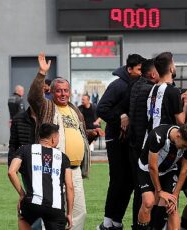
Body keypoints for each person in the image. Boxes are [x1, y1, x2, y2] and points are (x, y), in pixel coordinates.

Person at [28, 53, 101, 230]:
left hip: (74, 169)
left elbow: (78, 133)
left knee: (79, 212)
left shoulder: (75, 109)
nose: (63, 93)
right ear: (52, 92)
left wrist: (92, 133)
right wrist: (41, 73)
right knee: (53, 213)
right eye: (58, 90)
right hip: (53, 169)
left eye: (66, 90)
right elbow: (33, 97)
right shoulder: (46, 106)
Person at [96, 53, 146, 230]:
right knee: (118, 180)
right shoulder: (118, 85)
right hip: (115, 139)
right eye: (139, 69)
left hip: (127, 140)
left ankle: (116, 220)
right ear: (129, 69)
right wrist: (120, 116)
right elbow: (101, 109)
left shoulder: (136, 84)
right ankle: (108, 221)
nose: (142, 73)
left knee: (129, 181)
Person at [8, 123, 74, 230]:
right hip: (55, 207)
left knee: (23, 217)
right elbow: (70, 186)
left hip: (32, 203)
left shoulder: (24, 149)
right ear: (53, 138)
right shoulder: (63, 157)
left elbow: (11, 172)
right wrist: (70, 213)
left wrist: (22, 194)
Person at [136, 123, 187, 230]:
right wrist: (159, 191)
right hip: (147, 169)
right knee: (148, 202)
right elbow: (152, 167)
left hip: (169, 170)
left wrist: (174, 195)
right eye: (183, 146)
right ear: (178, 135)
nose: (184, 149)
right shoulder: (158, 135)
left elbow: (185, 169)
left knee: (172, 206)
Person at [128, 58, 160, 229]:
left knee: (140, 192)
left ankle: (139, 225)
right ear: (153, 73)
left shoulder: (137, 86)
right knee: (146, 193)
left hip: (136, 145)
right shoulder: (150, 90)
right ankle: (143, 225)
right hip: (143, 149)